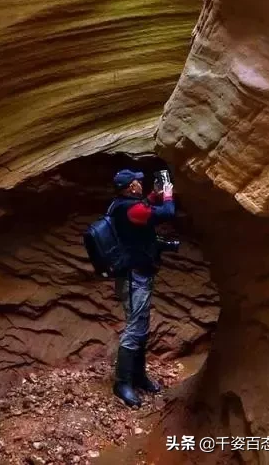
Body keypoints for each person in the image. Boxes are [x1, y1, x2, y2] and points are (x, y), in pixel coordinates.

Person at [109, 163, 175, 408]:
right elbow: (167, 212)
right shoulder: (131, 210)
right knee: (135, 329)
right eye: (137, 181)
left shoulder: (121, 205)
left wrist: (153, 195)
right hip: (134, 278)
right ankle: (122, 383)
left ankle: (138, 376)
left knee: (140, 327)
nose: (140, 182)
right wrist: (167, 192)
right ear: (130, 187)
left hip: (135, 274)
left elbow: (145, 206)